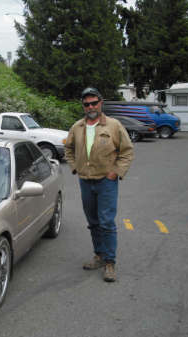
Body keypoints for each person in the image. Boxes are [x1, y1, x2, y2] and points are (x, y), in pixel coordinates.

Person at [65, 87, 134, 282]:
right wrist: (74, 167)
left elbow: (127, 151)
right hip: (85, 182)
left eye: (94, 102)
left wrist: (116, 172)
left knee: (106, 223)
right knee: (93, 222)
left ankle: (110, 263)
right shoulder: (77, 127)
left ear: (101, 103)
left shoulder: (114, 125)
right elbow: (68, 149)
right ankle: (99, 255)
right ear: (83, 106)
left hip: (106, 182)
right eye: (87, 104)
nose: (91, 107)